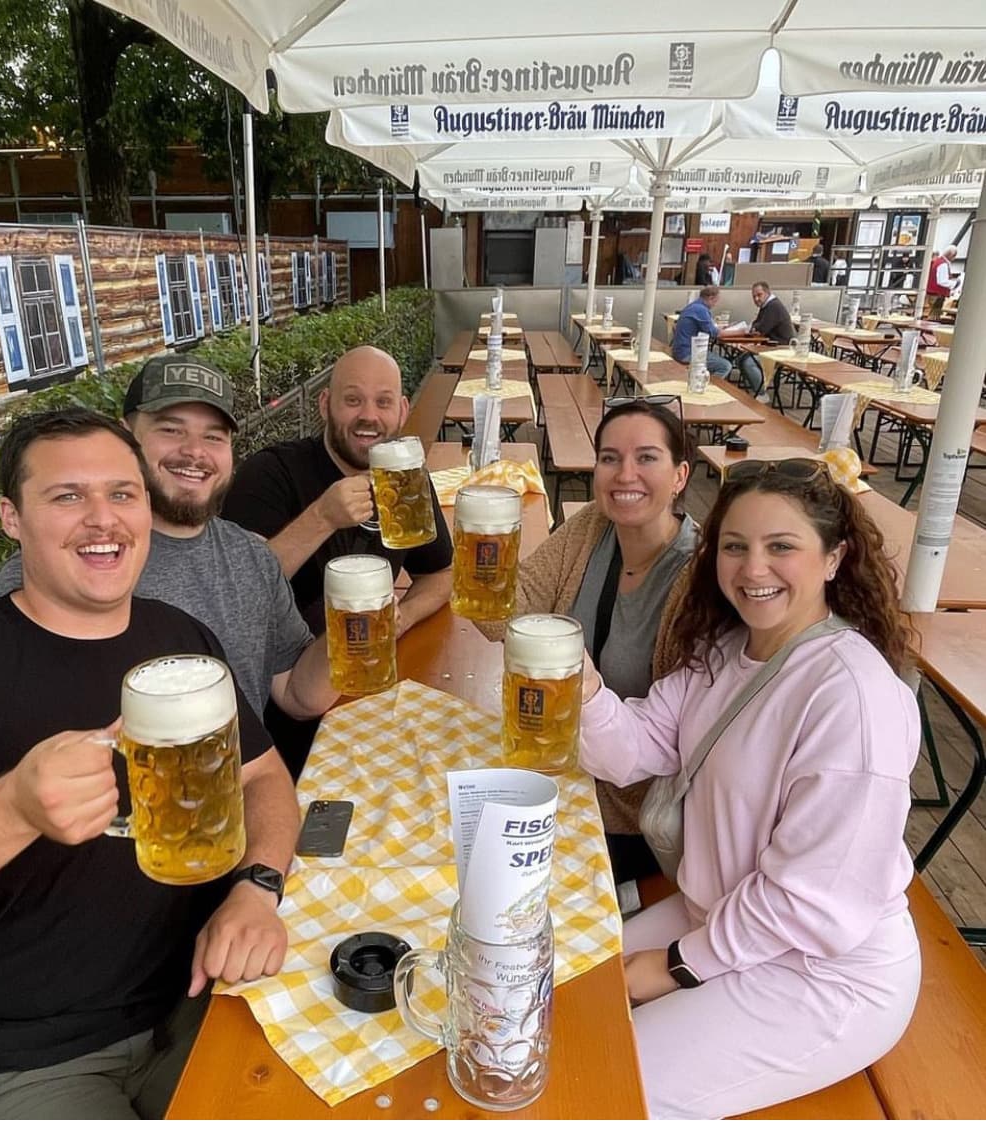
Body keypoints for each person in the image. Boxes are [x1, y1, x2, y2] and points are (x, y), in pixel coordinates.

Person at [0, 409, 301, 1119]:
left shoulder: (180, 639)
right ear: (12, 517)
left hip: (194, 997)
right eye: (68, 496)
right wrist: (12, 809)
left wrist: (256, 886)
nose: (104, 519)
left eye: (122, 494)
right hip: (10, 1063)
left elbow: (262, 776)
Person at [578, 458, 920, 1118]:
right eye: (734, 546)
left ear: (833, 557)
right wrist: (583, 686)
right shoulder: (724, 652)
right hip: (723, 911)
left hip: (822, 973)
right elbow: (629, 752)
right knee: (560, 991)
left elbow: (806, 899)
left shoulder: (849, 695)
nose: (751, 568)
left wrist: (673, 965)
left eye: (780, 546)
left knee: (599, 1087)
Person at [0, 356, 338, 779]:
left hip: (234, 808)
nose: (195, 452)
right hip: (126, 828)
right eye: (171, 430)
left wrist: (357, 626)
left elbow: (297, 694)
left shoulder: (251, 557)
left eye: (214, 436)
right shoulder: (62, 570)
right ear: (125, 438)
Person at [479, 398, 698, 884]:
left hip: (624, 815)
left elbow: (670, 748)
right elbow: (502, 619)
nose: (624, 474)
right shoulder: (591, 527)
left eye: (646, 457)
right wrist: (482, 561)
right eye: (609, 458)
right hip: (553, 765)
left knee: (487, 869)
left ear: (680, 475)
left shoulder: (695, 579)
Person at [223, 344, 454, 769]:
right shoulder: (270, 475)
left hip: (367, 689)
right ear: (326, 405)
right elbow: (238, 593)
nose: (369, 415)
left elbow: (441, 573)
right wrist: (323, 517)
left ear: (402, 411)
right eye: (353, 400)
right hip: (286, 712)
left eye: (383, 402)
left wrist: (402, 617)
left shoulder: (403, 480)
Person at [737, 281, 794, 399]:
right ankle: (756, 388)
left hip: (780, 349)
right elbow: (756, 325)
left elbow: (760, 328)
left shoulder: (773, 306)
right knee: (740, 359)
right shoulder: (767, 305)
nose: (756, 298)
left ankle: (761, 393)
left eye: (759, 295)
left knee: (748, 362)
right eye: (754, 296)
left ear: (768, 293)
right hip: (769, 346)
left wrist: (753, 329)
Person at [669, 286, 733, 380]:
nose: (715, 305)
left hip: (679, 350)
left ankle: (702, 381)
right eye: (716, 301)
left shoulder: (693, 306)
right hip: (687, 353)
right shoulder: (701, 309)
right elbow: (715, 333)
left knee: (713, 360)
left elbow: (707, 328)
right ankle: (708, 387)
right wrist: (742, 331)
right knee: (725, 366)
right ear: (711, 298)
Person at [926, 245, 959, 319]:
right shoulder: (943, 264)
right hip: (937, 294)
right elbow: (942, 281)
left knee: (932, 314)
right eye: (954, 256)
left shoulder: (938, 261)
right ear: (950, 255)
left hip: (932, 292)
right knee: (934, 316)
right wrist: (955, 283)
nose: (954, 258)